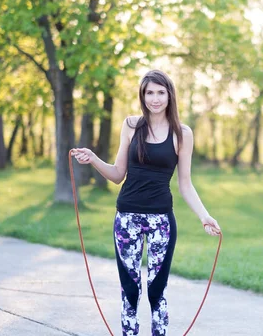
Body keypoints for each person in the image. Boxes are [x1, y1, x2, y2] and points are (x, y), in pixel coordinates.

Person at [71, 69, 221, 336]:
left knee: (156, 290)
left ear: (170, 95)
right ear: (142, 95)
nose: (155, 98)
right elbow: (118, 175)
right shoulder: (131, 126)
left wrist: (204, 216)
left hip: (161, 221)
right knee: (129, 290)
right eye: (149, 92)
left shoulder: (183, 133)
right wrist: (93, 158)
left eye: (160, 92)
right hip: (126, 219)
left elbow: (185, 183)